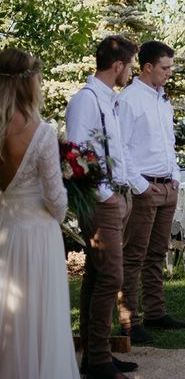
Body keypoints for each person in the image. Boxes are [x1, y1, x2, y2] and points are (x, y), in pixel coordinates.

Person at [0, 48, 80, 379]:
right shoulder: (41, 132)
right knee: (40, 319)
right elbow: (56, 199)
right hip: (38, 236)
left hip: (4, 230)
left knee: (7, 315)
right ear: (30, 82)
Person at [66, 35, 139, 379]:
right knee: (111, 276)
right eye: (130, 66)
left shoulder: (109, 99)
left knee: (97, 277)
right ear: (118, 66)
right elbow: (79, 154)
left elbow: (114, 149)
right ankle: (97, 361)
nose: (131, 72)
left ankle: (97, 355)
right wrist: (106, 195)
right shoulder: (86, 101)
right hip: (101, 202)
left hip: (116, 198)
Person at [116, 41, 185, 345]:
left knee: (158, 253)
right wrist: (140, 185)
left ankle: (156, 312)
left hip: (166, 185)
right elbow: (120, 148)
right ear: (147, 67)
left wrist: (174, 175)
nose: (170, 73)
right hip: (144, 186)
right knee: (134, 255)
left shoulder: (163, 100)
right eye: (165, 68)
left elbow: (167, 142)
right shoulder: (130, 100)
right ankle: (128, 322)